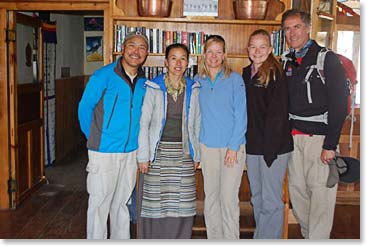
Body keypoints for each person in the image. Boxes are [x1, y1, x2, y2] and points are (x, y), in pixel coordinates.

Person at [281, 9, 348, 239]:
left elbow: (341, 104)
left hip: (319, 141)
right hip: (292, 140)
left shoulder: (326, 59)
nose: (292, 33)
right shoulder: (286, 61)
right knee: (298, 197)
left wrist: (331, 145)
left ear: (308, 28)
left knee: (321, 198)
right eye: (287, 29)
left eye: (296, 27)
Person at [78, 31, 149, 239]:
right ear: (123, 48)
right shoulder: (103, 76)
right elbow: (85, 108)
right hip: (103, 152)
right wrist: (94, 137)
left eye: (142, 47)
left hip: (130, 153)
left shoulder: (144, 82)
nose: (136, 51)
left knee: (121, 204)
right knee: (99, 204)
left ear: (146, 54)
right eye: (132, 46)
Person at [136, 43, 201, 239]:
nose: (178, 63)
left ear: (188, 63)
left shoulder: (194, 88)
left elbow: (197, 122)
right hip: (158, 153)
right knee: (157, 202)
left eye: (182, 58)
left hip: (183, 152)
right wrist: (143, 156)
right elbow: (144, 122)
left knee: (182, 203)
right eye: (173, 58)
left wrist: (196, 153)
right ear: (166, 62)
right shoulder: (153, 86)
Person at [194, 35, 247, 239]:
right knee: (212, 198)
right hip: (207, 147)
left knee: (228, 198)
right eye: (210, 52)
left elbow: (241, 115)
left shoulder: (235, 79)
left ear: (224, 55)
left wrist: (233, 148)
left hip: (231, 148)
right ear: (204, 54)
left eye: (218, 52)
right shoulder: (197, 82)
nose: (214, 56)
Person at [242, 29, 293, 239]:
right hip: (253, 146)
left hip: (274, 147)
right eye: (253, 46)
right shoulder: (246, 73)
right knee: (257, 197)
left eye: (263, 47)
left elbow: (278, 115)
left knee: (271, 200)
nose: (258, 51)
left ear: (271, 49)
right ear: (247, 49)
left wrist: (269, 151)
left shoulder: (276, 73)